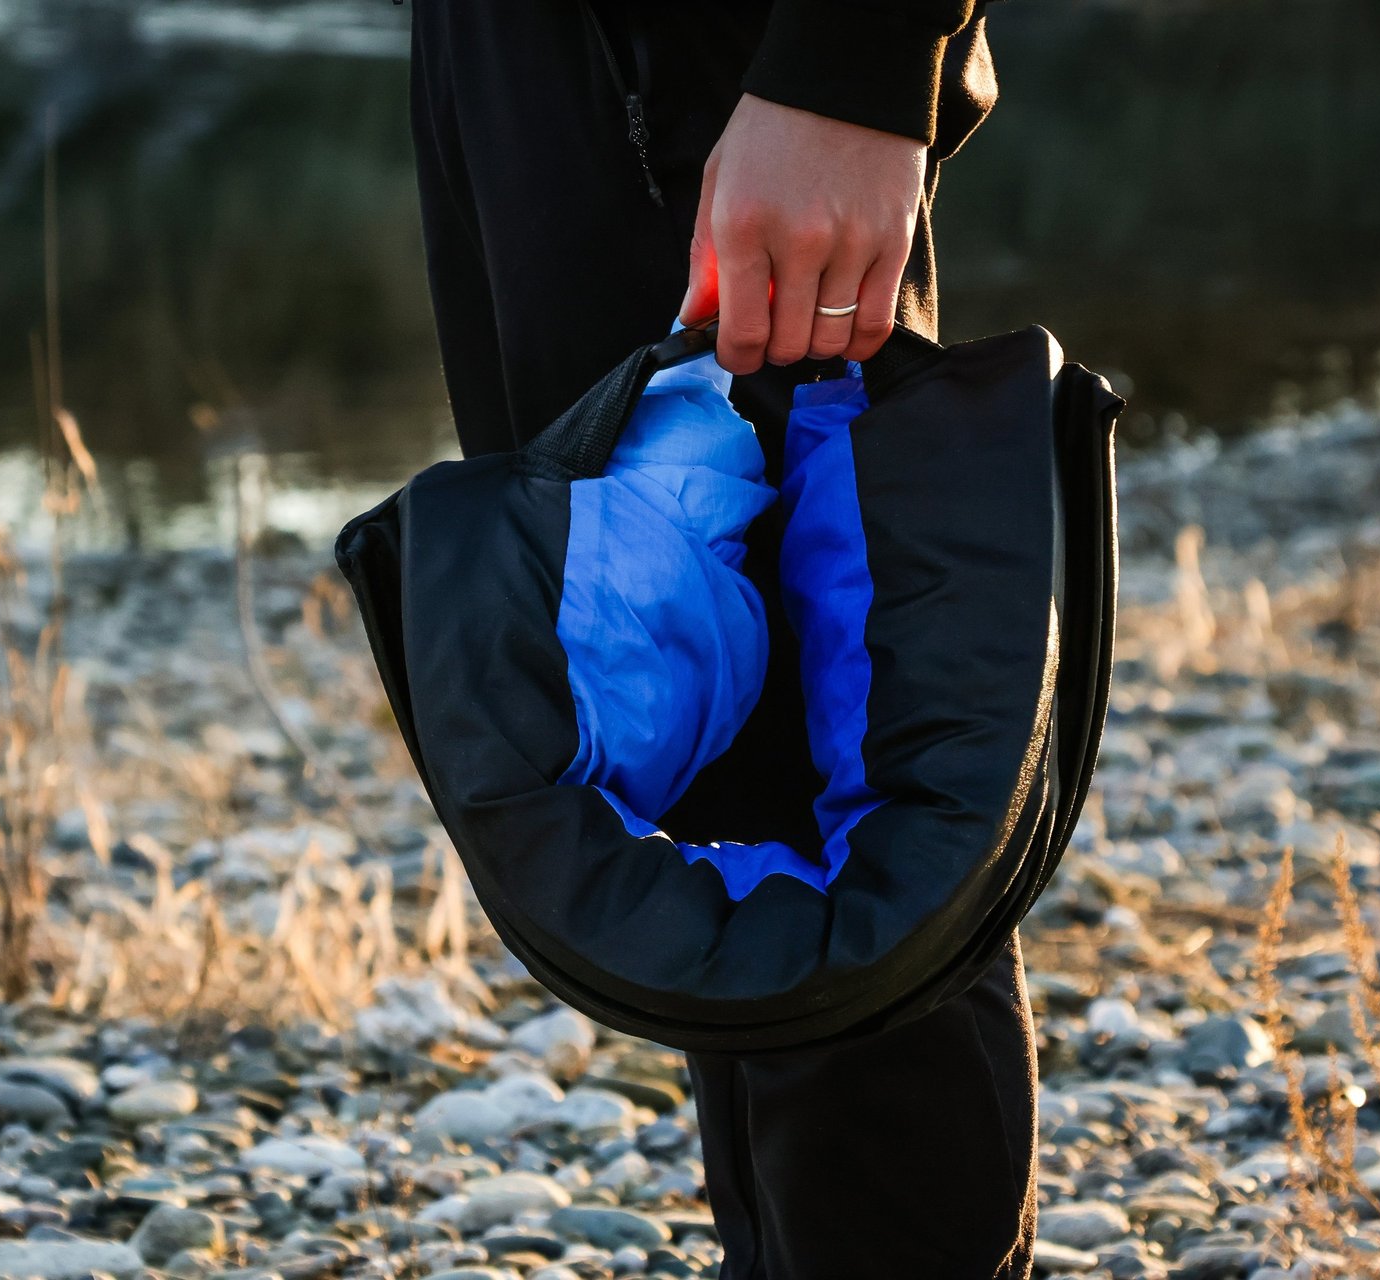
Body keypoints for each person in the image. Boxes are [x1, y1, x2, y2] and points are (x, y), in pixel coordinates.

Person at [406, 3, 1036, 1277]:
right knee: (694, 752)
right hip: (511, 53)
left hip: (715, 54)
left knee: (844, 840)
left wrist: (857, 66)